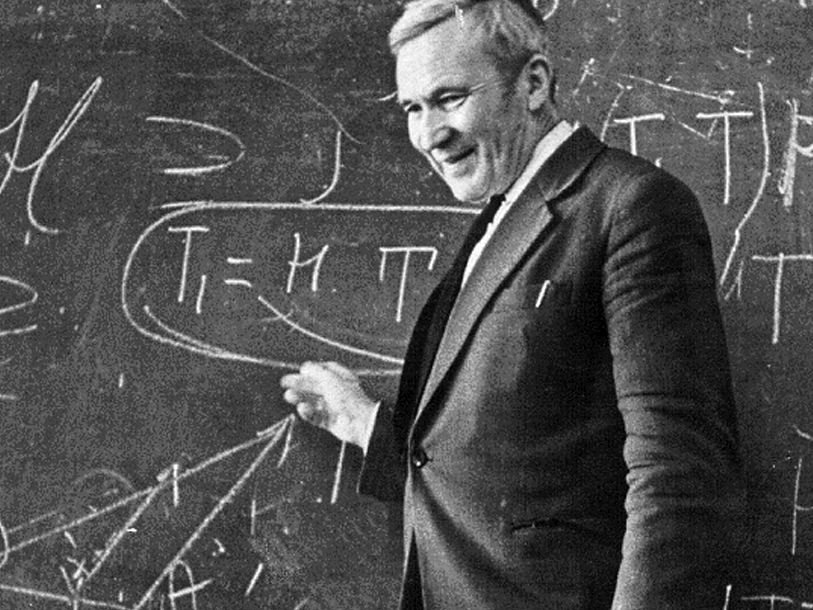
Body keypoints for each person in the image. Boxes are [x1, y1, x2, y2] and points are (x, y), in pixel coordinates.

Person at [281, 0, 741, 607]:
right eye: (412, 108)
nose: (428, 135)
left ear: (533, 83)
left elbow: (678, 478)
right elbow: (513, 468)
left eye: (449, 99)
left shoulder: (630, 206)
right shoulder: (502, 218)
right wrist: (366, 426)